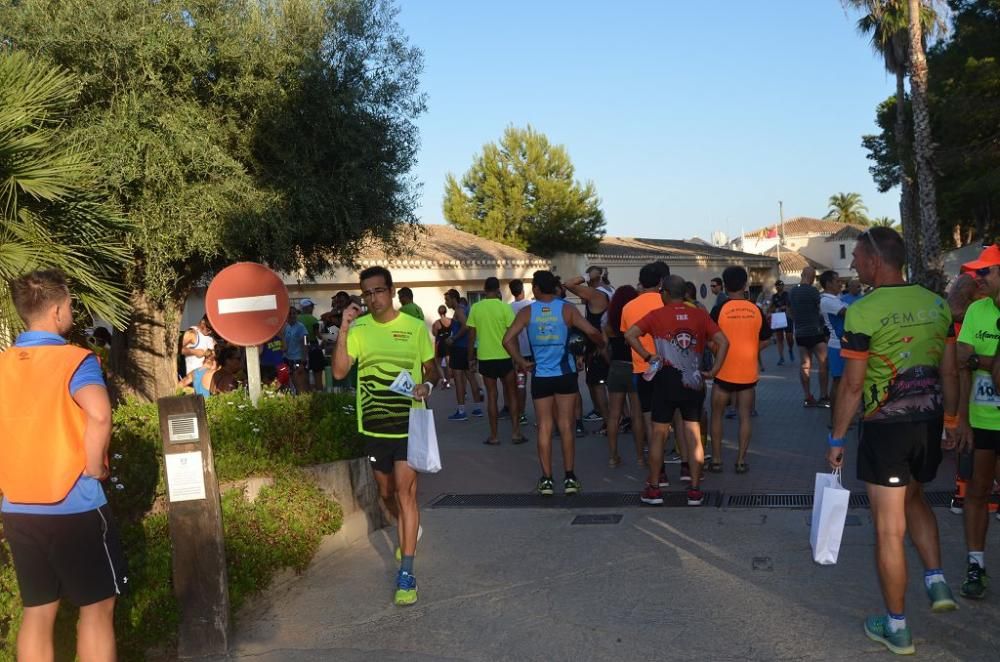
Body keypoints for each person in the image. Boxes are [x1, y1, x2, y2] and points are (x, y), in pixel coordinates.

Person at [827, 227, 959, 655]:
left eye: (857, 259)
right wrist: (953, 421)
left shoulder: (862, 312)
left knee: (888, 528)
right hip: (930, 422)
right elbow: (950, 371)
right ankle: (936, 579)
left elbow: (851, 385)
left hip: (886, 428)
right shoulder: (937, 304)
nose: (852, 266)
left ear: (874, 262)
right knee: (916, 498)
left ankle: (897, 627)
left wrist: (837, 437)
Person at [0, 269, 126, 661]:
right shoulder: (75, 360)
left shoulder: (3, 364)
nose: (71, 311)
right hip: (76, 504)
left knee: (37, 612)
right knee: (97, 609)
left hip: (18, 505)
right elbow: (100, 414)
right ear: (57, 311)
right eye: (70, 304)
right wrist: (94, 466)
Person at [333, 266, 437, 607]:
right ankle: (409, 528)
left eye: (378, 291)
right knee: (386, 493)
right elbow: (339, 371)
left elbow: (430, 366)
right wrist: (344, 328)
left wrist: (427, 385)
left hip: (409, 423)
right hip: (374, 426)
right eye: (367, 293)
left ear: (391, 291)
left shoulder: (412, 326)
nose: (373, 298)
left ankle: (406, 572)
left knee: (406, 494)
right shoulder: (359, 328)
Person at [625, 275, 728, 506]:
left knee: (659, 436)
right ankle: (694, 490)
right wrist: (714, 371)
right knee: (693, 435)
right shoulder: (700, 314)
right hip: (693, 381)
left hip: (665, 381)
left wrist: (647, 356)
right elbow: (724, 342)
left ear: (666, 293)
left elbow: (629, 334)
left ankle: (654, 489)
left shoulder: (656, 315)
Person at [503, 270, 604, 496]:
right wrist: (597, 346)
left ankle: (547, 479)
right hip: (565, 374)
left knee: (545, 426)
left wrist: (521, 362)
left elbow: (507, 340)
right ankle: (569, 477)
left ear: (537, 289)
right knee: (566, 426)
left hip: (541, 376)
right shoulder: (567, 309)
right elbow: (592, 332)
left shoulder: (528, 312)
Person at [954, 244, 1000, 600]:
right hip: (982, 420)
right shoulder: (976, 312)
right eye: (977, 273)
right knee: (977, 492)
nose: (977, 278)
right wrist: (963, 422)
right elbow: (961, 362)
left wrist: (977, 360)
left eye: (985, 272)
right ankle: (975, 564)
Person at [708, 266, 771, 474]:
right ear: (745, 285)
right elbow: (766, 339)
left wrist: (718, 351)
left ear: (725, 286)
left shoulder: (719, 310)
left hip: (723, 371)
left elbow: (709, 339)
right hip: (747, 373)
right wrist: (752, 348)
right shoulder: (756, 310)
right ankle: (741, 461)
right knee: (745, 416)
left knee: (716, 415)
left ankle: (716, 460)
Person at [621, 262, 670, 480]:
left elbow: (627, 335)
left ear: (641, 282)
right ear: (660, 282)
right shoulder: (667, 301)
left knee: (650, 419)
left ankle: (658, 471)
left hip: (643, 369)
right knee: (675, 417)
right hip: (670, 366)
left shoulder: (628, 307)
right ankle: (687, 464)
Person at [466, 277, 526, 445]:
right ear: (498, 289)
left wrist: (470, 358)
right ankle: (515, 433)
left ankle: (494, 436)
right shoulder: (505, 308)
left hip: (485, 358)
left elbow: (471, 337)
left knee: (492, 396)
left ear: (485, 290)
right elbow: (512, 336)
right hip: (506, 357)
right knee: (512, 394)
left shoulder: (476, 308)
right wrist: (517, 358)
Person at [604, 285, 647, 468]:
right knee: (637, 415)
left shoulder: (609, 325)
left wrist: (611, 363)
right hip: (635, 367)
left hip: (616, 368)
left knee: (614, 415)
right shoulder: (635, 319)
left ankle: (613, 457)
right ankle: (639, 458)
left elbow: (604, 349)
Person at [564, 267, 613, 429]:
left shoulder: (595, 293)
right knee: (608, 386)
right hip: (608, 342)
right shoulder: (610, 289)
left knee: (598, 385)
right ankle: (618, 417)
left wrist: (586, 276)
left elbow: (568, 284)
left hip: (599, 345)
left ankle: (608, 422)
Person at [789, 267, 830, 407]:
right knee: (824, 363)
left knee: (804, 365)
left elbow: (789, 311)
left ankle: (807, 397)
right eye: (813, 277)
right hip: (815, 332)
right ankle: (824, 396)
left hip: (800, 334)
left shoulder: (792, 291)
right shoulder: (813, 291)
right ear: (811, 276)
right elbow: (821, 310)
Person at [444, 289, 483, 420]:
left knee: (458, 379)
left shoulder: (459, 310)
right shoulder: (465, 308)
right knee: (471, 377)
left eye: (447, 299)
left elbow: (466, 326)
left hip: (459, 348)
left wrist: (453, 338)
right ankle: (478, 408)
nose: (446, 302)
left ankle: (461, 411)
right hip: (467, 347)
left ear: (454, 299)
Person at [819, 270, 847, 423]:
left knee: (844, 383)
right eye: (837, 281)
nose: (840, 283)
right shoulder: (827, 301)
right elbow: (848, 313)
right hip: (837, 347)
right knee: (838, 383)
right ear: (828, 284)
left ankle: (842, 417)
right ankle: (834, 419)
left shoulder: (837, 298)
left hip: (844, 345)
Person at [509, 278, 533, 423]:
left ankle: (521, 414)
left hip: (517, 352)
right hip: (533, 350)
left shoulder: (508, 308)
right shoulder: (532, 305)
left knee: (520, 383)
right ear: (522, 289)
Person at [298, 298, 325, 392]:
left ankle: (307, 396)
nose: (313, 308)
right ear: (308, 307)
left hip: (300, 349)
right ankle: (320, 394)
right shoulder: (313, 319)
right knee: (318, 374)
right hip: (313, 347)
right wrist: (330, 335)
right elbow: (318, 335)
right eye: (312, 306)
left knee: (304, 375)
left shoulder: (297, 319)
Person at [282, 306, 309, 394]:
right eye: (290, 314)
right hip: (286, 359)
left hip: (297, 359)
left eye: (294, 313)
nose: (292, 315)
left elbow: (305, 342)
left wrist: (303, 361)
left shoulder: (301, 327)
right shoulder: (284, 326)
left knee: (299, 385)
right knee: (287, 385)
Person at [769, 280, 794, 365]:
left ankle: (790, 349)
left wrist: (785, 307)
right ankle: (781, 357)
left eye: (780, 285)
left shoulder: (787, 295)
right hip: (778, 318)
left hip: (787, 317)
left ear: (783, 286)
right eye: (777, 285)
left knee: (789, 338)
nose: (779, 287)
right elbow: (771, 307)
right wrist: (771, 311)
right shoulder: (774, 296)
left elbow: (791, 305)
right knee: (779, 338)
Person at [431, 305, 453, 389]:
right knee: (449, 364)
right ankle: (448, 382)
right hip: (449, 343)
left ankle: (444, 380)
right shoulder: (451, 321)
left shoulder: (436, 323)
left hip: (440, 344)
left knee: (437, 363)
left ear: (438, 313)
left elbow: (434, 334)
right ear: (446, 312)